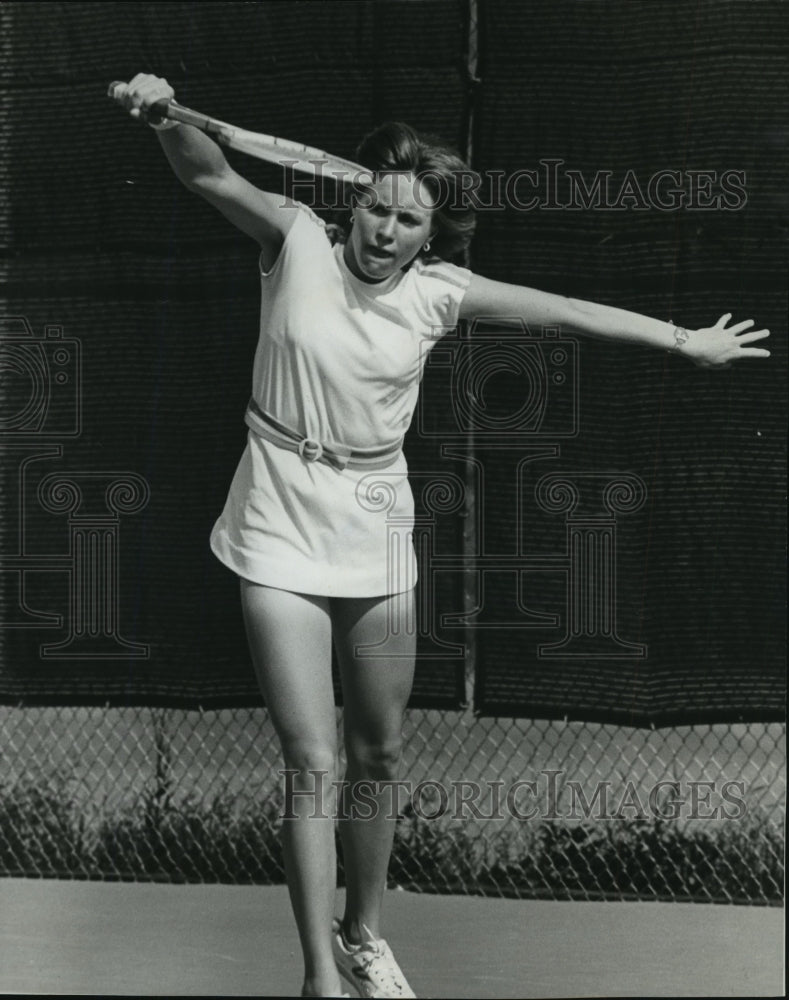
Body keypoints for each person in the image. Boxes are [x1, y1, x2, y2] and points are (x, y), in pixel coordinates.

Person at [110, 74, 771, 999]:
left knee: (377, 754)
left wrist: (680, 338)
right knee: (313, 760)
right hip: (273, 513)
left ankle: (363, 937)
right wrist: (160, 113)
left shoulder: (438, 295)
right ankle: (319, 981)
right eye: (375, 210)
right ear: (353, 205)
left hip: (374, 527)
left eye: (406, 221)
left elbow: (566, 310)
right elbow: (211, 174)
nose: (384, 232)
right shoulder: (295, 240)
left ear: (430, 233)